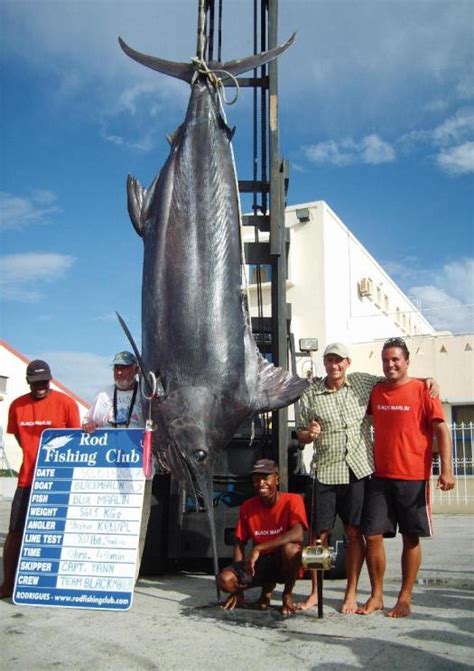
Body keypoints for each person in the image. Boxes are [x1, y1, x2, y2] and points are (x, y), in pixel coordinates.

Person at [296, 342, 438, 614]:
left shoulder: (362, 383)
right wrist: (308, 435)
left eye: (339, 361)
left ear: (348, 362)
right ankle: (316, 591)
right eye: (329, 361)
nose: (334, 366)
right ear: (324, 363)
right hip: (323, 472)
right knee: (317, 538)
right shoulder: (311, 393)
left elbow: (396, 380)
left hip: (357, 471)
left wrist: (428, 381)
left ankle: (351, 592)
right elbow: (301, 434)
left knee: (353, 534)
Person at [358, 337, 455, 618]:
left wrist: (446, 470)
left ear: (407, 362)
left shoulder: (423, 391)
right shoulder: (376, 392)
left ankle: (404, 597)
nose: (390, 365)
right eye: (386, 360)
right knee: (372, 535)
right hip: (379, 477)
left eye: (395, 359)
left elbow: (442, 431)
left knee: (410, 538)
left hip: (413, 477)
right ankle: (376, 595)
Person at [1, 360, 80, 598]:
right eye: (36, 382)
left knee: (62, 532)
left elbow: (76, 440)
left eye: (45, 381)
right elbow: (18, 437)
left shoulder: (66, 403)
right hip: (27, 480)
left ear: (51, 379)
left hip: (59, 481)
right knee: (15, 531)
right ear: (28, 382)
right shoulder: (16, 405)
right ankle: (8, 584)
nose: (41, 386)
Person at [82, 350, 151, 580]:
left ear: (136, 370)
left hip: (138, 472)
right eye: (116, 368)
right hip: (107, 470)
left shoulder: (146, 394)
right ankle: (101, 570)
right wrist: (89, 425)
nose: (119, 372)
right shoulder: (103, 394)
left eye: (124, 367)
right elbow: (89, 422)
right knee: (105, 520)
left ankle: (129, 575)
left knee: (136, 523)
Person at [217, 459, 308, 615]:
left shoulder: (293, 500)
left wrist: (259, 547)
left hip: (283, 561)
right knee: (224, 580)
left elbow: (298, 533)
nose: (261, 483)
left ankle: (287, 594)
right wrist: (238, 589)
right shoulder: (248, 506)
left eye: (266, 478)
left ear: (277, 479)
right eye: (256, 479)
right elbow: (239, 542)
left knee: (291, 549)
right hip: (260, 563)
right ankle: (265, 591)